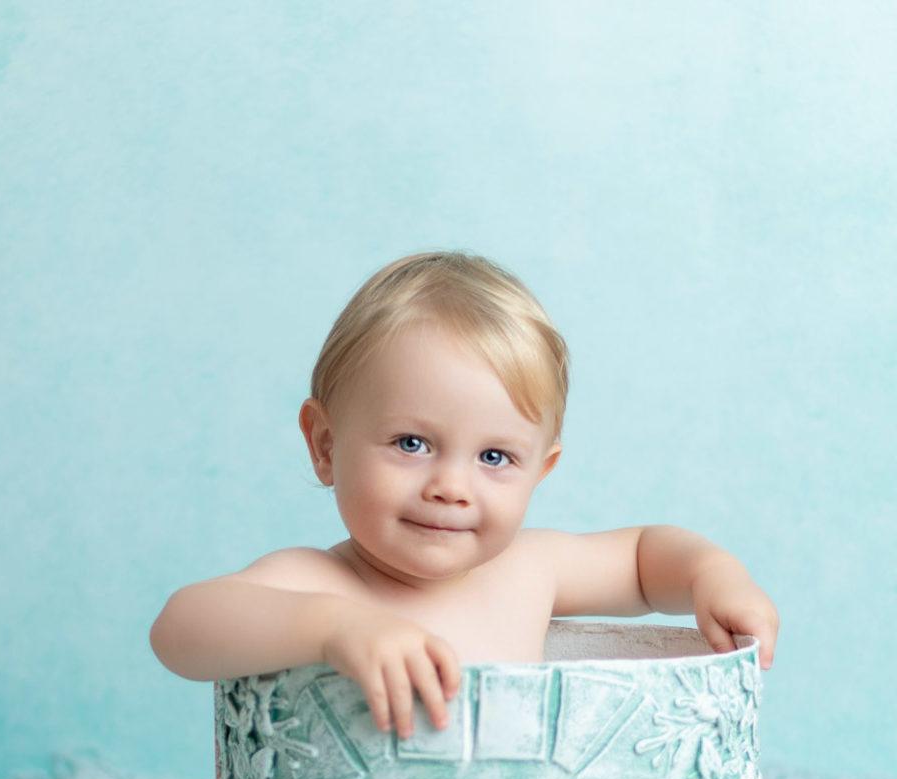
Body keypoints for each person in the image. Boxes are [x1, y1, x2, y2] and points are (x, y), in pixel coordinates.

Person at [148, 249, 780, 737]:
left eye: (495, 457)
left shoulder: (527, 570)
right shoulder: (318, 586)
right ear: (324, 445)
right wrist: (332, 628)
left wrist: (712, 574)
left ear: (540, 470)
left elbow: (645, 559)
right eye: (411, 444)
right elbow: (179, 629)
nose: (451, 487)